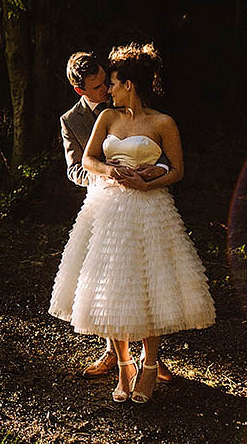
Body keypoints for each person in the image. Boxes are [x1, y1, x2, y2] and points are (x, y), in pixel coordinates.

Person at [50, 43, 215, 404]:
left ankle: (151, 366)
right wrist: (111, 171)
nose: (108, 89)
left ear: (129, 84)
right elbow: (90, 160)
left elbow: (178, 170)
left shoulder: (162, 122)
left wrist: (149, 181)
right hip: (109, 209)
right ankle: (124, 364)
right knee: (114, 285)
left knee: (148, 286)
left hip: (149, 211)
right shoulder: (107, 118)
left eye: (112, 82)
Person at [60, 52, 173, 383]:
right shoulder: (72, 120)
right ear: (81, 91)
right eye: (97, 87)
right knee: (107, 279)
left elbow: (163, 151)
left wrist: (155, 171)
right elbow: (75, 169)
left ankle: (148, 356)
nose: (105, 90)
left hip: (143, 198)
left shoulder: (128, 102)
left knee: (143, 273)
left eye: (104, 81)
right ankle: (114, 353)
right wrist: (108, 176)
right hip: (104, 202)